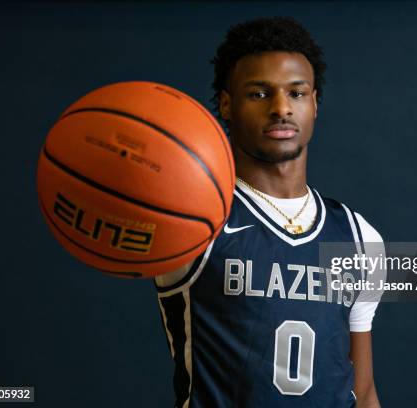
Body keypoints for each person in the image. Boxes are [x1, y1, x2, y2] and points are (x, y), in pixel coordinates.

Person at [154, 17, 385, 408]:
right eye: (259, 94)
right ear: (226, 104)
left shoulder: (360, 238)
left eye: (296, 93)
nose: (281, 108)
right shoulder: (193, 222)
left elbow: (362, 391)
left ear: (314, 103)